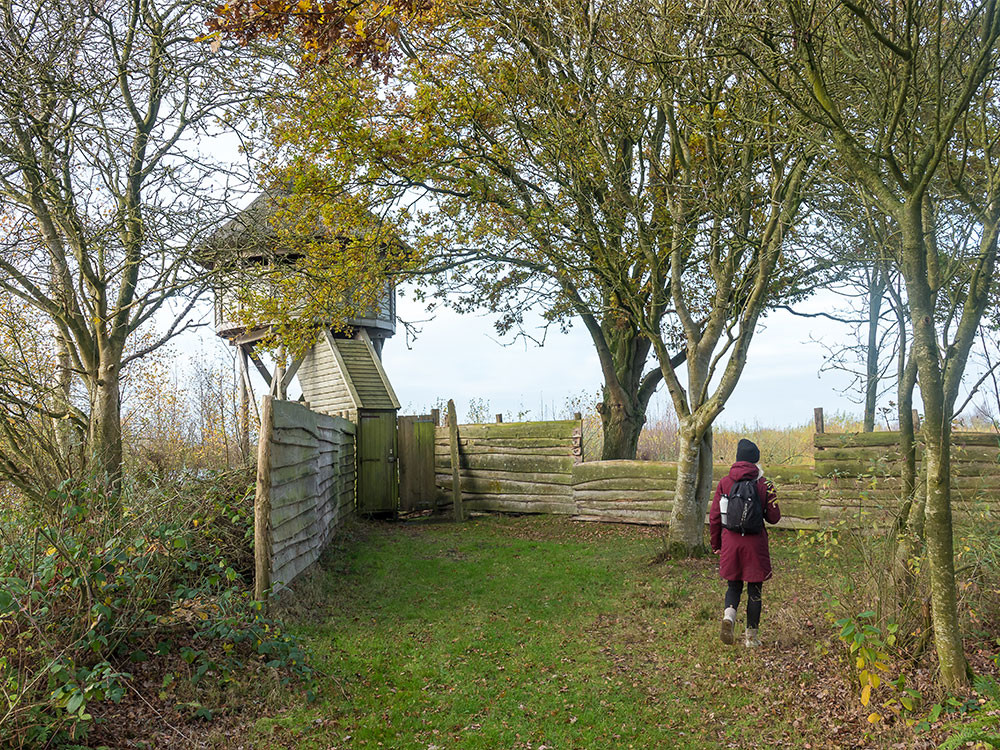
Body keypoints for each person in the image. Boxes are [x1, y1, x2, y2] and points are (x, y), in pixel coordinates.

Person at [709, 438, 780, 648]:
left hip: (731, 542)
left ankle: (729, 617)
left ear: (738, 459)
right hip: (755, 544)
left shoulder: (725, 482)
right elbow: (774, 517)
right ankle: (751, 638)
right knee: (755, 590)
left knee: (734, 585)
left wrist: (716, 544)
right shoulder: (764, 483)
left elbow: (715, 517)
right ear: (756, 461)